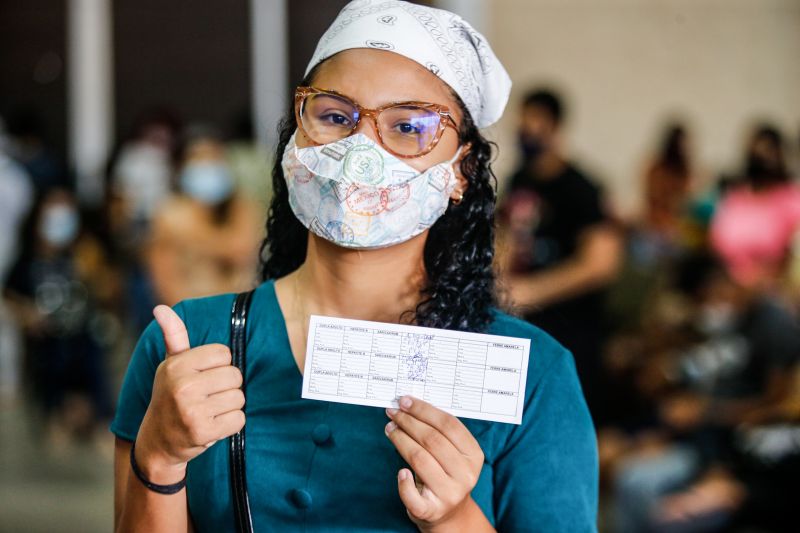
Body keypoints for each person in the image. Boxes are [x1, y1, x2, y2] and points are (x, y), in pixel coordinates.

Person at [112, 2, 598, 532]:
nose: (360, 153)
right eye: (334, 116)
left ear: (461, 171)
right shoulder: (188, 345)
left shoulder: (532, 376)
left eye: (408, 126)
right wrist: (159, 460)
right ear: (295, 138)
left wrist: (454, 518)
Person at [497, 87, 622, 422]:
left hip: (571, 328)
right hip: (522, 323)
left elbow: (601, 264)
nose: (525, 130)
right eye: (522, 121)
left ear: (554, 126)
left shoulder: (582, 189)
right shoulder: (519, 180)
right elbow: (507, 237)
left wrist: (532, 291)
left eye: (534, 122)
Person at [146, 127, 263, 306]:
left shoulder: (243, 207)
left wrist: (188, 235)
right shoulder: (169, 212)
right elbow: (165, 280)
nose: (207, 165)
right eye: (198, 158)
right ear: (182, 166)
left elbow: (241, 250)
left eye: (214, 157)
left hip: (240, 313)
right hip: (190, 313)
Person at [710, 124, 800, 290]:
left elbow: (792, 254)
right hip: (728, 286)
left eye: (769, 152)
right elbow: (717, 242)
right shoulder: (735, 197)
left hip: (771, 289)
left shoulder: (791, 199)